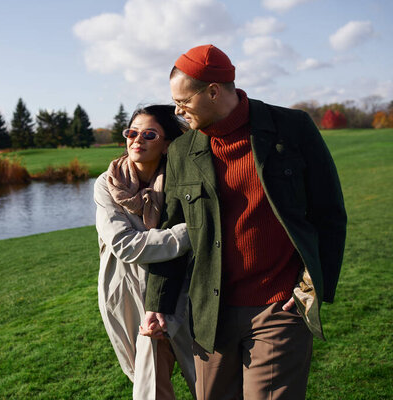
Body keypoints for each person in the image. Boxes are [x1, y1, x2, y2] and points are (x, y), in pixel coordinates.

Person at [142, 45, 347, 399]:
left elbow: (329, 213)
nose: (178, 110)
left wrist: (312, 286)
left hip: (279, 305)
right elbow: (172, 233)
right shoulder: (180, 151)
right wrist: (157, 303)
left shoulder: (292, 128)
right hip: (211, 314)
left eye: (183, 101)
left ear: (213, 90)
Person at [95, 104, 197, 399]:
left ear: (167, 145)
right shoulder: (107, 183)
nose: (137, 140)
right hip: (124, 292)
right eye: (132, 132)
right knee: (147, 386)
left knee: (206, 381)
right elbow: (124, 245)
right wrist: (192, 232)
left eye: (149, 134)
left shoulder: (182, 182)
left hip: (181, 290)